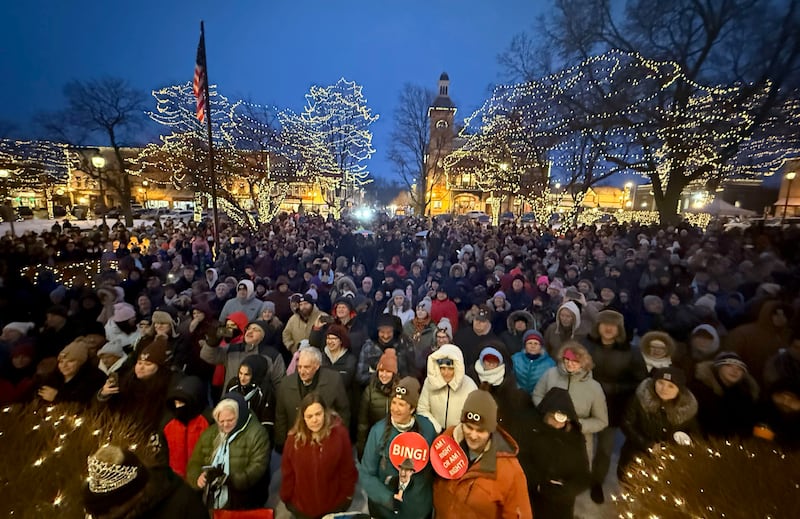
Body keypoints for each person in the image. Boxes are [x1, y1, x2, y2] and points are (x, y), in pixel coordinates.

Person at [432, 389, 533, 519]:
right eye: (469, 427)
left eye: (480, 430)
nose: (473, 435)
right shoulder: (446, 442)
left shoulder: (511, 471)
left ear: (491, 430)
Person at [359, 376, 437, 519]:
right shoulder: (378, 431)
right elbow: (366, 474)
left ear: (412, 408)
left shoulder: (428, 429)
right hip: (385, 512)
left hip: (418, 511)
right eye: (393, 402)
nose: (395, 409)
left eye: (401, 404)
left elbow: (435, 468)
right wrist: (387, 498)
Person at [533, 341, 608, 473]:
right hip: (548, 436)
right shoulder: (550, 374)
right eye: (566, 359)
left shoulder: (594, 388)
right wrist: (546, 414)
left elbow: (601, 421)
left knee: (570, 479)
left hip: (576, 442)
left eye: (575, 361)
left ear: (584, 363)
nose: (569, 363)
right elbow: (537, 394)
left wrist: (578, 425)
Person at [187, 392, 271, 510]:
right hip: (210, 501)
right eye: (221, 421)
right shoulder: (210, 433)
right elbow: (194, 463)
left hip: (243, 500)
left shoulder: (257, 434)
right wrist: (197, 478)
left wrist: (230, 479)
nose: (225, 425)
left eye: (230, 420)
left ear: (239, 416)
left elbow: (257, 469)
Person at [280, 392, 358, 519]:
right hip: (302, 506)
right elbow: (288, 472)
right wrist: (286, 496)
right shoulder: (293, 439)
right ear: (303, 418)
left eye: (318, 414)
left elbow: (347, 467)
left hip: (333, 504)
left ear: (325, 413)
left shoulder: (339, 434)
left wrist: (348, 494)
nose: (315, 420)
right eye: (309, 416)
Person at [83, 445, 207, 519]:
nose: (107, 515)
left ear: (136, 494)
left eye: (111, 508)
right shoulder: (100, 512)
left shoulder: (183, 505)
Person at [618, 367, 699, 480]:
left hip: (669, 462)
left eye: (671, 386)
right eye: (661, 383)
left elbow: (693, 433)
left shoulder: (686, 408)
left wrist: (676, 446)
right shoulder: (640, 399)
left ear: (679, 389)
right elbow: (627, 423)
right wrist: (648, 444)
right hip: (636, 456)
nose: (664, 388)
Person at [525, 387, 591, 519]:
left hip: (561, 506)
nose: (556, 423)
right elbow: (522, 463)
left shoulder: (575, 440)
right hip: (532, 501)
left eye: (560, 418)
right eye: (552, 416)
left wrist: (566, 491)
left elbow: (583, 475)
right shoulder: (532, 432)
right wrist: (538, 485)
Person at [275, 347, 350, 451]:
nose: (302, 371)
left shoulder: (334, 380)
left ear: (317, 365)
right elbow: (281, 416)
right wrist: (281, 442)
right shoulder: (286, 383)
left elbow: (343, 411)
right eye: (299, 367)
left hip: (326, 441)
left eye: (307, 367)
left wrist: (339, 438)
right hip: (297, 442)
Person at [689, 351, 759, 438]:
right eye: (728, 365)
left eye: (740, 368)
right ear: (718, 367)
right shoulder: (699, 389)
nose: (735, 371)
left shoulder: (745, 394)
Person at [160, 375, 214, 478]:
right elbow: (163, 453)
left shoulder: (208, 421)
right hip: (175, 480)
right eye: (176, 403)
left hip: (201, 479)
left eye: (182, 403)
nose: (178, 407)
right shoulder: (167, 423)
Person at [417, 343, 477, 433]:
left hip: (460, 437)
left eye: (450, 369)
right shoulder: (429, 382)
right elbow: (422, 409)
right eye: (442, 368)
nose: (446, 373)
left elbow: (472, 418)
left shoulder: (470, 386)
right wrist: (437, 429)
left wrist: (454, 432)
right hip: (434, 433)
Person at [357, 348, 399, 457]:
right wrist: (361, 447)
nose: (384, 375)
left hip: (395, 441)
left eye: (388, 371)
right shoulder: (370, 391)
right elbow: (363, 423)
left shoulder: (400, 391)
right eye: (381, 371)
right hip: (374, 439)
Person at [36, 339, 105, 406]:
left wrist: (58, 397)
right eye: (61, 361)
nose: (64, 365)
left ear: (81, 362)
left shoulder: (94, 378)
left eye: (70, 361)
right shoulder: (52, 378)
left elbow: (88, 403)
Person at [512, 329, 556, 395]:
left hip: (538, 397)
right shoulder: (515, 359)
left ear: (541, 346)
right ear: (525, 345)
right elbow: (511, 378)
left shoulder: (550, 363)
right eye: (530, 343)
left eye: (536, 343)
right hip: (517, 395)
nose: (533, 346)